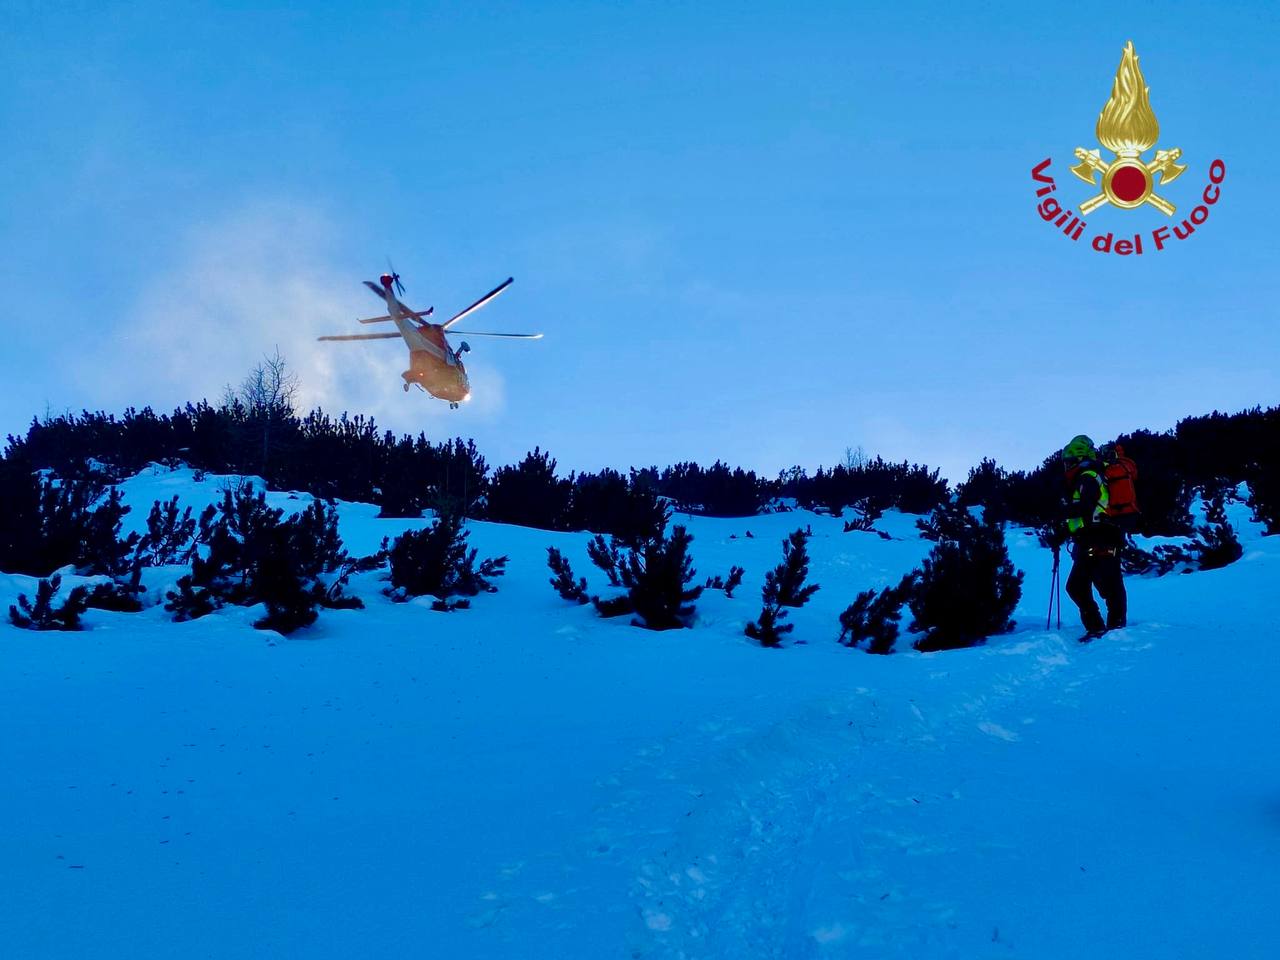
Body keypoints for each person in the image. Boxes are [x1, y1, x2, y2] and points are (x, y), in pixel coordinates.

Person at [1055, 434, 1127, 640]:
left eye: (1069, 462)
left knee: (1103, 584)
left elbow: (1086, 507)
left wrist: (1060, 513)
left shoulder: (1088, 476)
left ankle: (1113, 629)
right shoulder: (1089, 476)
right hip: (1094, 537)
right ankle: (1103, 628)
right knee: (1085, 585)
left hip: (1100, 536)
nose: (1067, 466)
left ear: (1079, 459)